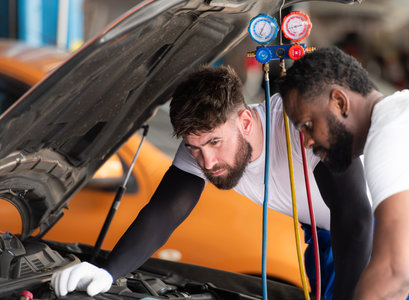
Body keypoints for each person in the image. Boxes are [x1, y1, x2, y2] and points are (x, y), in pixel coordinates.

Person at [51, 65, 373, 299]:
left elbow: (357, 217)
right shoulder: (201, 144)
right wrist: (108, 272)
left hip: (391, 229)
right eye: (194, 148)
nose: (206, 163)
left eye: (215, 143)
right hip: (327, 237)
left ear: (245, 121)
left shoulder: (299, 125)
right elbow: (164, 213)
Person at [279, 47, 409, 299]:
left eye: (307, 125)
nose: (306, 142)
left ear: (339, 102)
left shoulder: (390, 134)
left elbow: (394, 271)